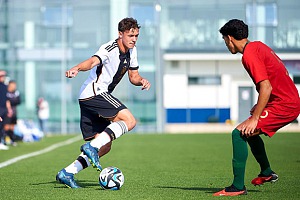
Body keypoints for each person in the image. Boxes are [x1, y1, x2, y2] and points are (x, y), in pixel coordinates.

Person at [56, 17, 151, 188]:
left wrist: (142, 81)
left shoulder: (132, 50)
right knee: (129, 121)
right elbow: (92, 61)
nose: (134, 39)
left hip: (90, 98)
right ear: (120, 34)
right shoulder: (110, 48)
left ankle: (68, 172)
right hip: (94, 93)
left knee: (105, 146)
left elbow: (133, 77)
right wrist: (77, 68)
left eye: (136, 35)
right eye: (130, 35)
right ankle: (91, 147)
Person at [213, 19, 300, 196]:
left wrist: (255, 118)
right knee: (248, 132)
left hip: (285, 105)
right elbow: (274, 80)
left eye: (224, 40)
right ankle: (266, 173)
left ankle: (238, 187)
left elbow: (266, 87)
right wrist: (259, 107)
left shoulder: (249, 55)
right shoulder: (258, 46)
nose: (226, 44)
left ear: (230, 38)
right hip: (284, 101)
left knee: (238, 133)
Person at [3, 80, 21, 146]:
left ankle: (12, 139)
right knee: (6, 126)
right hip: (7, 112)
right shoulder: (6, 92)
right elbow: (6, 100)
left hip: (14, 112)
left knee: (12, 126)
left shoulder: (16, 92)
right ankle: (5, 139)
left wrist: (12, 101)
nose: (14, 86)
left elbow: (18, 101)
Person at [0, 70, 13, 150]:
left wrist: (9, 109)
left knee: (3, 126)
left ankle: (1, 141)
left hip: (4, 108)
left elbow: (7, 99)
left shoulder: (4, 86)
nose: (3, 77)